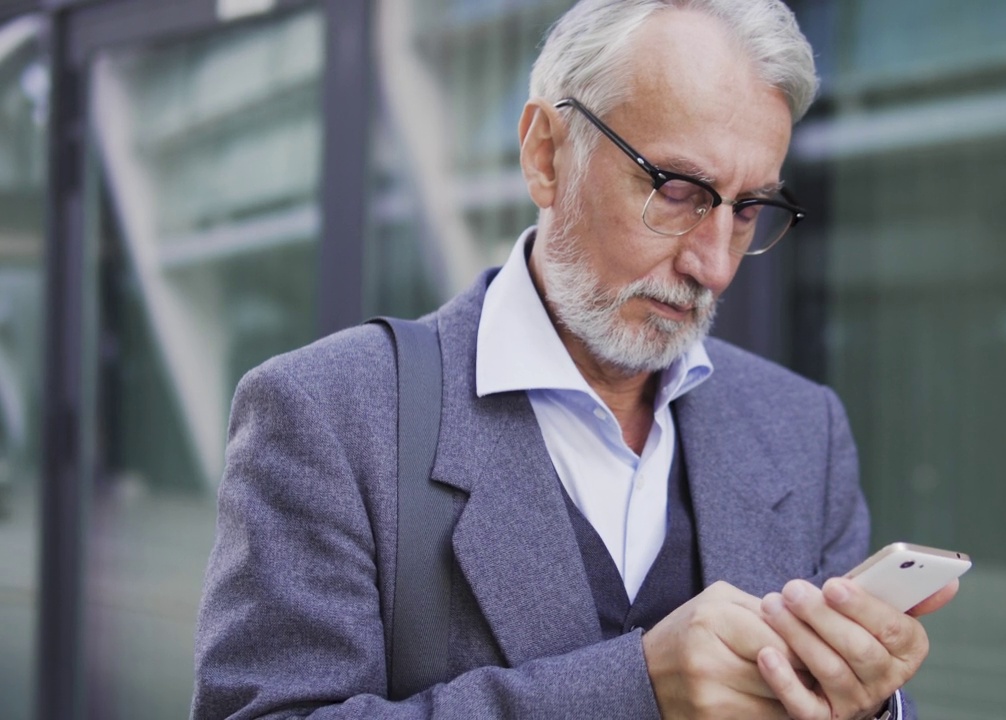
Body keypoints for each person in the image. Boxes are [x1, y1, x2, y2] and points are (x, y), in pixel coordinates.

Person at [191, 1, 958, 718]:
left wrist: (865, 699)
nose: (715, 265)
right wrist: (635, 688)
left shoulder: (802, 430)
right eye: (680, 190)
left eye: (749, 209)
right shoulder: (328, 414)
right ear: (546, 155)